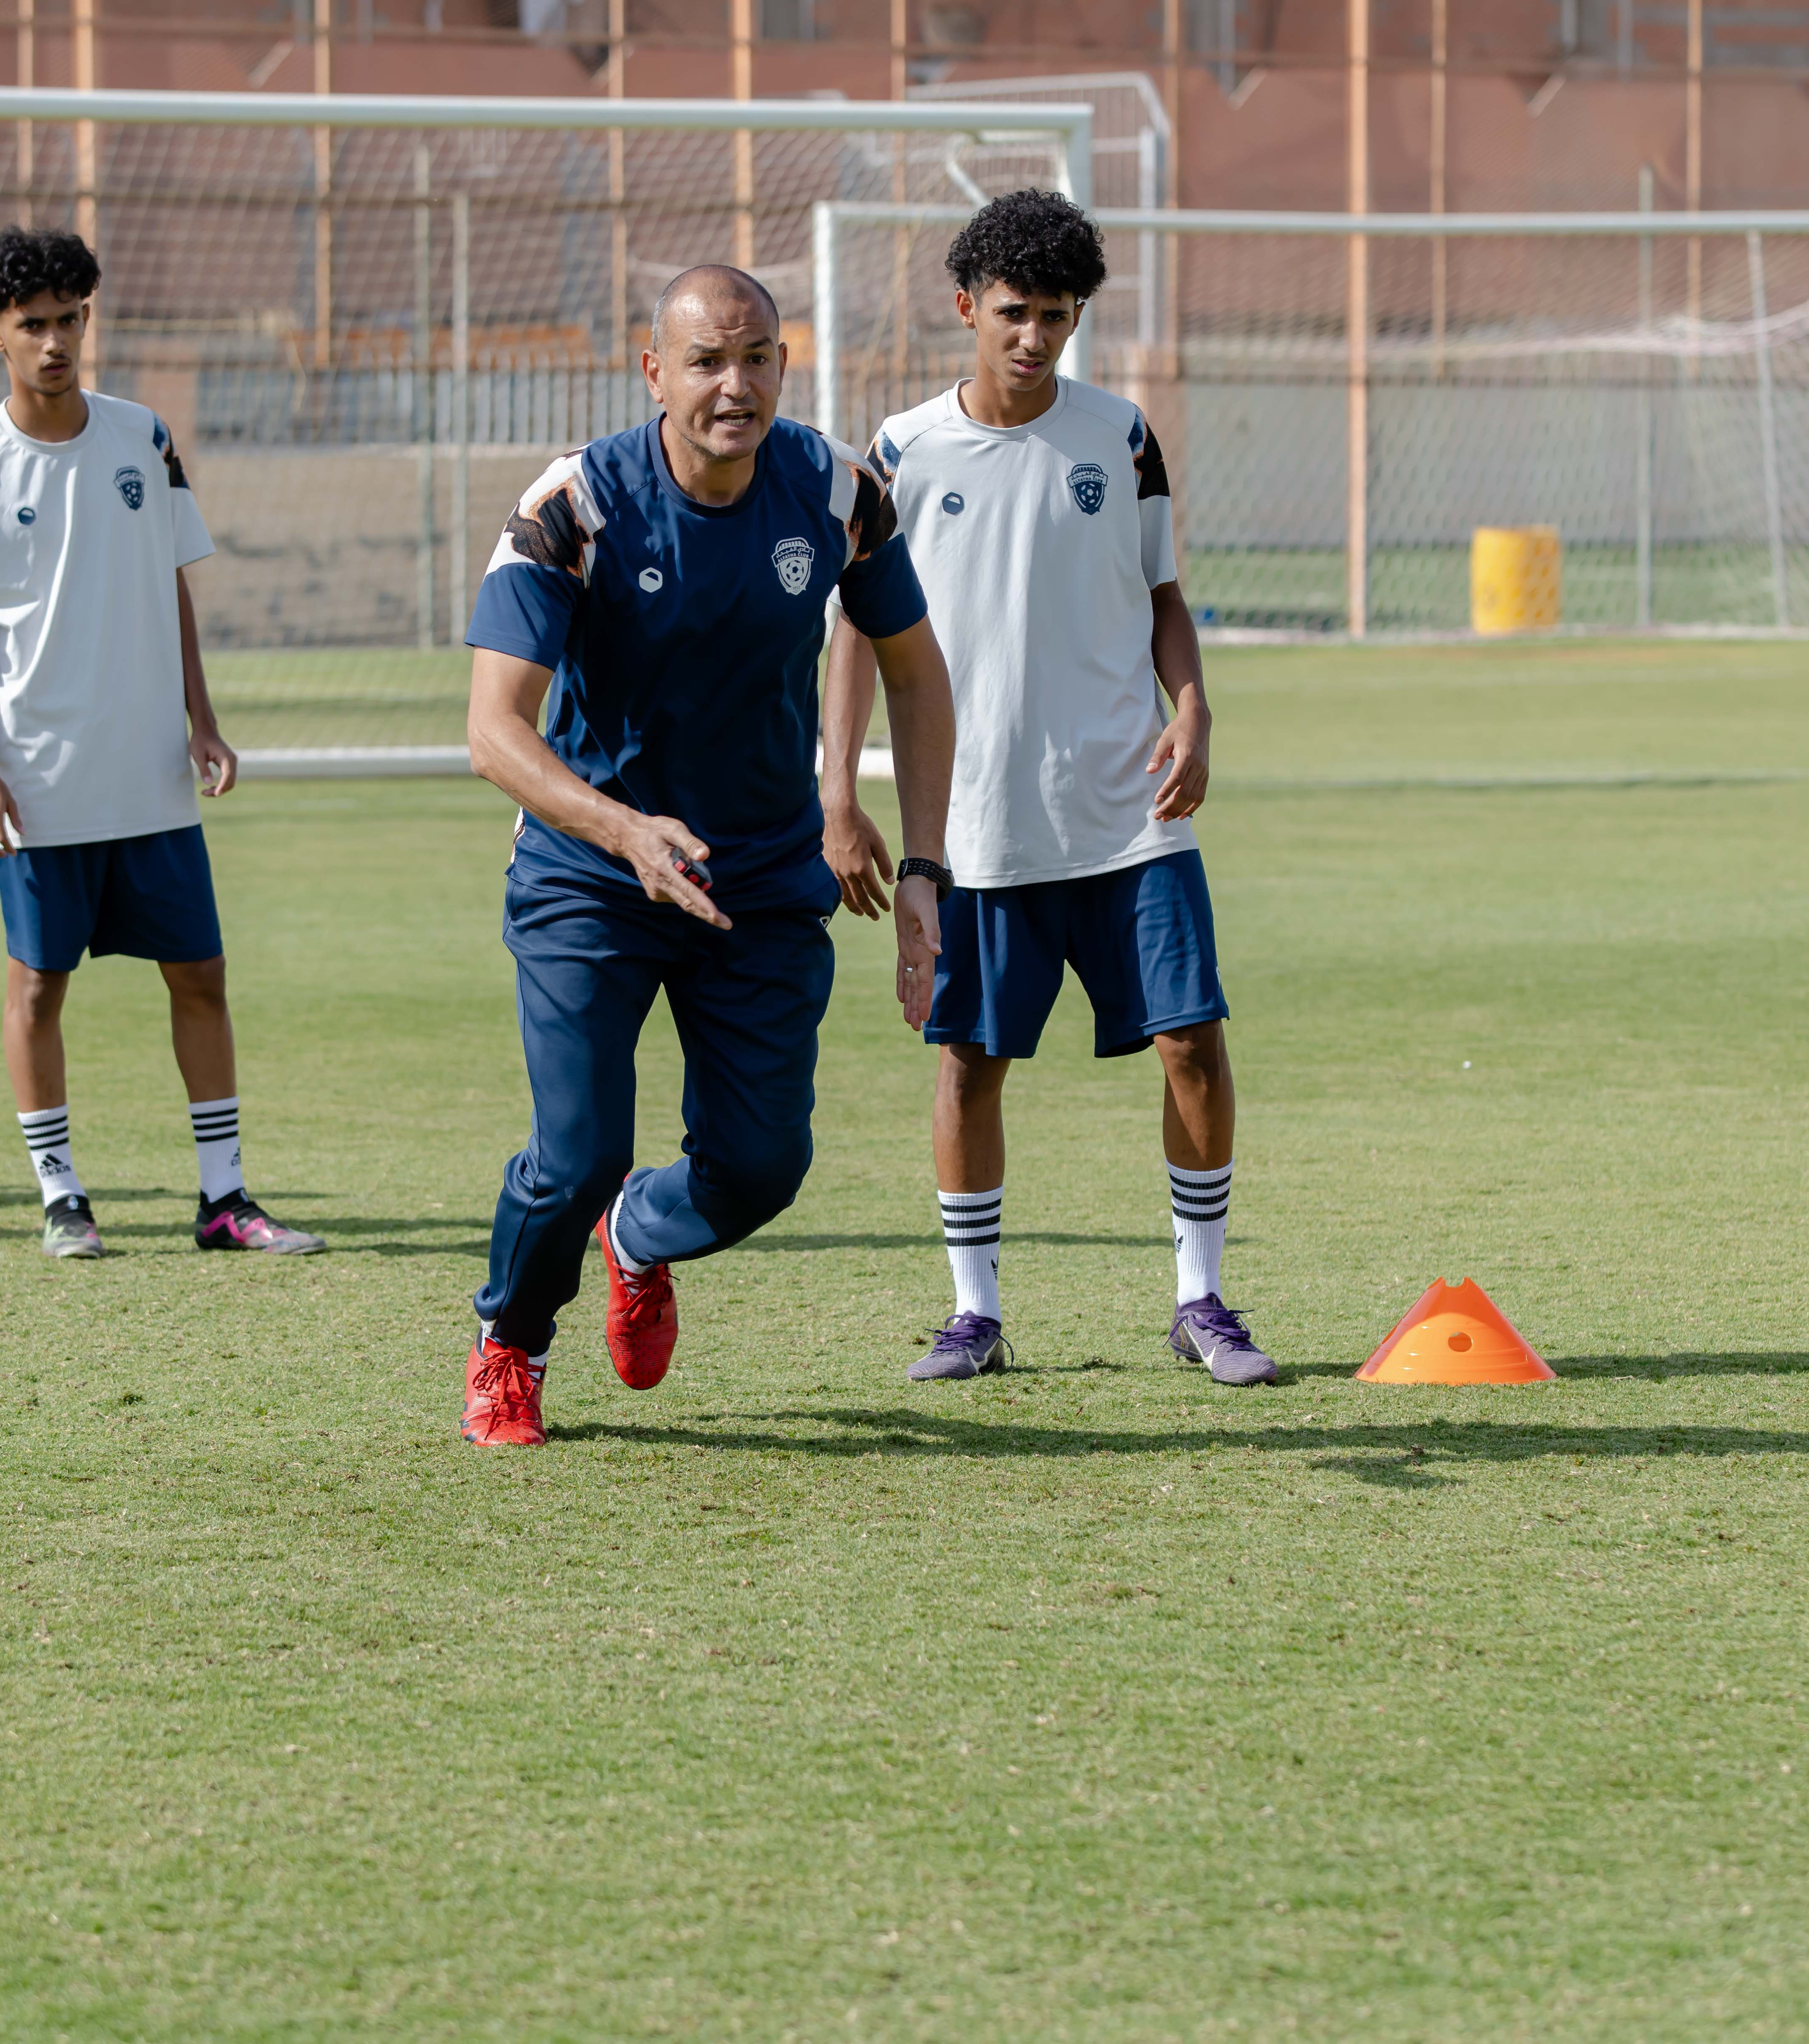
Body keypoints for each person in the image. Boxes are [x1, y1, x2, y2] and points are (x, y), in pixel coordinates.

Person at [457, 262, 956, 1447]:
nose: (735, 385)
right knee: (577, 1152)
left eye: (757, 358)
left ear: (785, 363)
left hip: (762, 877)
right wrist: (624, 829)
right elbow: (492, 731)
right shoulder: (574, 505)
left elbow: (917, 675)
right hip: (593, 876)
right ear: (653, 372)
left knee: (761, 1168)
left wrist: (923, 866)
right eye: (706, 361)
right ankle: (512, 1344)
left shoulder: (837, 491)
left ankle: (639, 1235)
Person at [822, 189, 1274, 1386]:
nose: (1035, 339)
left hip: (1130, 809)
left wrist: (1195, 707)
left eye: (1059, 318)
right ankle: (975, 1313)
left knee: (1192, 1040)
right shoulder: (902, 451)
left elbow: (1163, 597)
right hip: (974, 826)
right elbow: (854, 637)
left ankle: (1203, 1297)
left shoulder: (1121, 435)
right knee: (969, 1061)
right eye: (1015, 314)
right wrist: (839, 792)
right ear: (967, 307)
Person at [0, 225, 322, 1263]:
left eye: (70, 320)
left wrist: (201, 717)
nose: (55, 342)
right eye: (33, 326)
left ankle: (223, 1198)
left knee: (199, 974)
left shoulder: (143, 438)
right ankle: (62, 1197)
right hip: (38, 783)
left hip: (148, 775)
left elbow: (169, 585)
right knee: (38, 988)